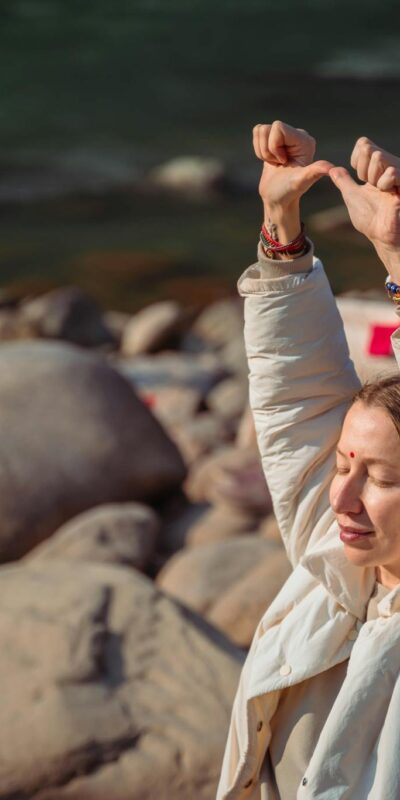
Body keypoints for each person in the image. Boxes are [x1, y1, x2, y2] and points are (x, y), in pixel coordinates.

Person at [216, 121, 400, 800]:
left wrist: (397, 255)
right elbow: (295, 397)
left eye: (380, 478)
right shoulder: (335, 563)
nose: (340, 496)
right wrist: (279, 220)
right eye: (343, 464)